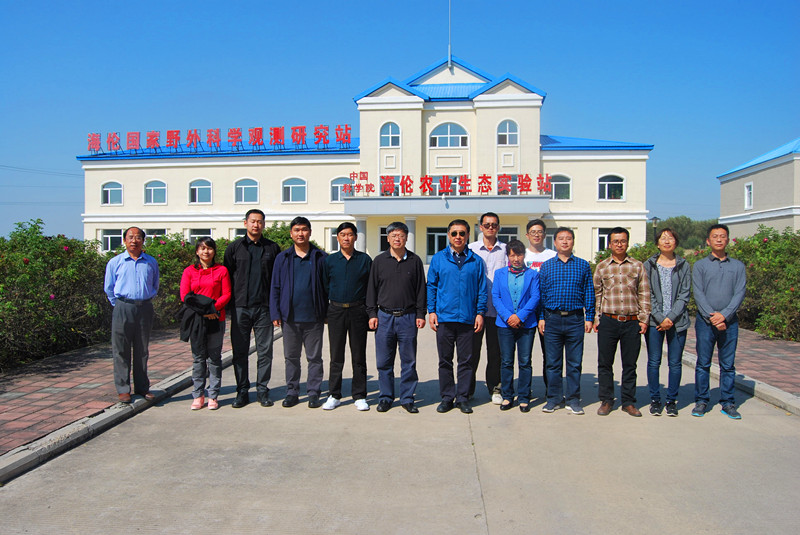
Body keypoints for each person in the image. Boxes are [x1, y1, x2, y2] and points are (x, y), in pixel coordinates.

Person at [427, 219, 487, 415]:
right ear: (448, 235)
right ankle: (447, 397)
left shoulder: (476, 261)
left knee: (466, 361)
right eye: (454, 233)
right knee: (445, 360)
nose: (458, 237)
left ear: (468, 235)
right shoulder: (439, 259)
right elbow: (432, 286)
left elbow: (482, 290)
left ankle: (462, 398)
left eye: (462, 233)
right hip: (444, 318)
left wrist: (480, 313)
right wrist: (431, 311)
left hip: (467, 319)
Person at [366, 222, 427, 413]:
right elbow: (371, 289)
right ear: (388, 239)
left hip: (408, 317)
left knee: (408, 361)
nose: (397, 239)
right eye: (393, 235)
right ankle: (385, 397)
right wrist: (372, 313)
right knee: (384, 361)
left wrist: (420, 313)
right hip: (384, 317)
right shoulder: (379, 261)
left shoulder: (415, 261)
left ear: (406, 238)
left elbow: (421, 289)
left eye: (401, 235)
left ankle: (407, 398)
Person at [224, 209, 281, 408]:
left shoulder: (272, 248)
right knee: (240, 351)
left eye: (260, 221)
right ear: (245, 223)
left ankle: (262, 390)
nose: (256, 225)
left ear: (264, 224)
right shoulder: (234, 248)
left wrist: (276, 308)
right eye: (253, 221)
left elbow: (277, 280)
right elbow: (227, 277)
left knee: (265, 352)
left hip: (264, 308)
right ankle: (242, 391)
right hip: (240, 308)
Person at [271, 217, 328, 409]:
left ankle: (313, 393)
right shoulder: (283, 258)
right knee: (291, 357)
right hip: (289, 318)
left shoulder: (320, 257)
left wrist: (326, 312)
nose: (300, 233)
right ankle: (292, 392)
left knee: (314, 358)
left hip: (314, 317)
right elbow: (275, 287)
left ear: (310, 232)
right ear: (291, 233)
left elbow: (327, 287)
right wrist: (275, 313)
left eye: (304, 229)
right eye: (296, 230)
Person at [593, 227, 651, 417]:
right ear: (609, 244)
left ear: (627, 243)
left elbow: (644, 293)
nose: (619, 244)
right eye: (615, 241)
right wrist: (596, 318)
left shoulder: (637, 266)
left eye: (623, 241)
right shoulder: (602, 267)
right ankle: (606, 400)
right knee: (605, 363)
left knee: (630, 364)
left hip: (631, 321)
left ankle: (628, 402)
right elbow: (597, 294)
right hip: (608, 321)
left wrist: (644, 318)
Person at [538, 227, 595, 415]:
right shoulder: (547, 266)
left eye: (568, 238)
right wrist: (541, 317)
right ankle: (553, 399)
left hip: (575, 319)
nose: (565, 241)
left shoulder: (582, 265)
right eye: (561, 238)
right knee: (552, 363)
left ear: (573, 241)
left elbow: (589, 292)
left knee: (574, 363)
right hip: (552, 319)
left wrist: (589, 317)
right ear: (555, 242)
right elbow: (541, 294)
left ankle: (573, 399)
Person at [692, 223, 747, 419]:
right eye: (715, 236)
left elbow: (739, 293)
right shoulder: (700, 266)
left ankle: (728, 402)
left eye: (722, 236)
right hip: (705, 323)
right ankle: (701, 401)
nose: (719, 239)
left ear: (728, 240)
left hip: (729, 323)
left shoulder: (738, 266)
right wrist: (712, 317)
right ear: (708, 241)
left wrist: (724, 315)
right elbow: (698, 293)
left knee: (728, 365)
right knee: (703, 363)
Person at [103, 226, 160, 403]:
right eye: (130, 237)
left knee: (142, 350)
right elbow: (109, 288)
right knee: (121, 349)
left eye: (138, 237)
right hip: (123, 307)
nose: (134, 240)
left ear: (143, 241)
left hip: (144, 308)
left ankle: (142, 388)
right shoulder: (115, 262)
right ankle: (123, 389)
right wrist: (119, 305)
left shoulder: (151, 262)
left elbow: (155, 285)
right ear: (124, 240)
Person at [321, 222, 372, 411]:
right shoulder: (330, 261)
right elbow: (324, 286)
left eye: (350, 234)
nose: (346, 238)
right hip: (335, 311)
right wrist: (326, 312)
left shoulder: (364, 260)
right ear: (338, 237)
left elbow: (370, 288)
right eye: (342, 234)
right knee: (336, 355)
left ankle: (360, 395)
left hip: (358, 311)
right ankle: (334, 394)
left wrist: (370, 312)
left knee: (358, 355)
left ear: (355, 237)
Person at [179, 237, 231, 410]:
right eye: (202, 248)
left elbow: (226, 294)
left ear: (214, 251)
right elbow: (185, 296)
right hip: (197, 320)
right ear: (197, 251)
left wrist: (212, 309)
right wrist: (204, 311)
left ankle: (213, 395)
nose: (206, 251)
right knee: (198, 358)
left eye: (209, 248)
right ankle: (198, 394)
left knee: (214, 358)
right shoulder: (189, 271)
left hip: (216, 319)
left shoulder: (221, 270)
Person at [643, 228, 691, 417]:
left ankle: (671, 400)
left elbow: (685, 294)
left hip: (677, 322)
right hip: (655, 322)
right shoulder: (649, 265)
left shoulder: (683, 265)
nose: (667, 241)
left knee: (675, 363)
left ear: (675, 242)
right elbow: (647, 293)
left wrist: (670, 317)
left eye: (670, 238)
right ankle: (655, 400)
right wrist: (660, 317)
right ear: (657, 243)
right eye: (663, 238)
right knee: (654, 361)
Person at [492, 240, 539, 412]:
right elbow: (495, 297)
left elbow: (535, 297)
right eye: (512, 255)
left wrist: (520, 316)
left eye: (519, 254)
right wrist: (509, 316)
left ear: (524, 255)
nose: (516, 258)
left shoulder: (532, 274)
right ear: (508, 256)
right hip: (505, 325)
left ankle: (524, 397)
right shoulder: (499, 274)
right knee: (506, 361)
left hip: (526, 325)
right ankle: (507, 396)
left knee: (525, 361)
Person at [468, 212, 506, 404]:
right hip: (475, 311)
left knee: (496, 353)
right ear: (480, 227)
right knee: (471, 352)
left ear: (498, 227)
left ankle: (495, 388)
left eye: (494, 225)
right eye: (487, 224)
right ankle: (467, 389)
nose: (490, 227)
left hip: (498, 312)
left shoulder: (506, 250)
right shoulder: (471, 249)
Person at [524, 219, 557, 398]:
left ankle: (551, 390)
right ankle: (525, 390)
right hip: (526, 309)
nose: (536, 235)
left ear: (545, 235)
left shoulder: (552, 255)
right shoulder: (522, 255)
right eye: (533, 232)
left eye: (540, 232)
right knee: (525, 354)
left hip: (548, 308)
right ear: (527, 235)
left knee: (550, 354)